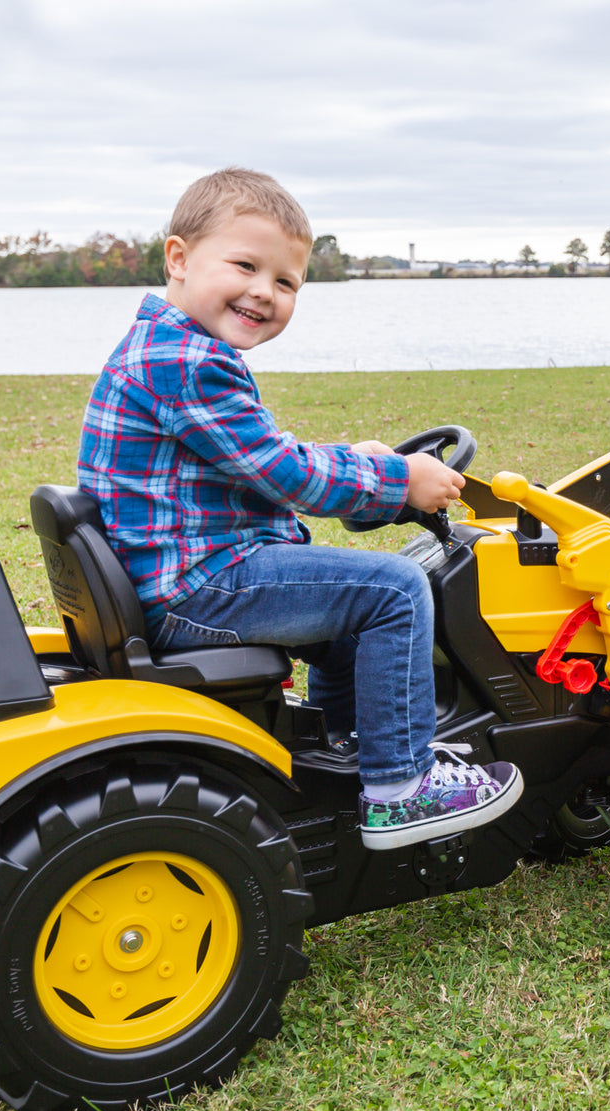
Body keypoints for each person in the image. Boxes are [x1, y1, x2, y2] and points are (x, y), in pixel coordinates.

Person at [78, 167, 523, 850]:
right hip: (198, 587)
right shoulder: (189, 362)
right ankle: (401, 788)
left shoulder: (170, 348)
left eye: (285, 282)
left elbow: (251, 453)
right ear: (178, 258)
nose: (264, 292)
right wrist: (398, 479)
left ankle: (345, 752)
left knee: (347, 626)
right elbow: (283, 473)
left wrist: (364, 459)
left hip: (179, 578)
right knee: (395, 590)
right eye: (245, 266)